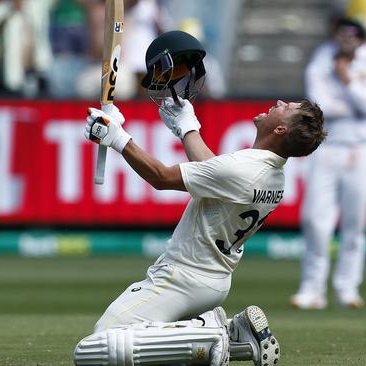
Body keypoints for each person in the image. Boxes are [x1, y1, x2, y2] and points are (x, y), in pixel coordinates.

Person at [73, 30, 326, 366]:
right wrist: (186, 127)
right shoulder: (272, 175)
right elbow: (212, 171)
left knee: (95, 349)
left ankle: (212, 338)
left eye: (287, 108)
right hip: (214, 280)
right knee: (124, 341)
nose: (279, 103)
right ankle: (236, 338)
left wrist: (118, 138)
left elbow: (162, 178)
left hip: (184, 276)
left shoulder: (245, 169)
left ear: (281, 130)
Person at [291, 17, 366, 310]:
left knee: (355, 220)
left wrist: (346, 79)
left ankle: (347, 288)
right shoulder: (322, 57)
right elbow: (319, 104)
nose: (347, 40)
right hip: (327, 142)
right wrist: (352, 99)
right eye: (342, 34)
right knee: (314, 218)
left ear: (360, 38)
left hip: (360, 145)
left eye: (352, 35)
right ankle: (312, 288)